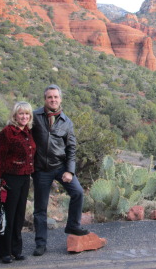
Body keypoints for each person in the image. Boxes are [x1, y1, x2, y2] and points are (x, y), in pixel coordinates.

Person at [31, 84, 89, 257]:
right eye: (50, 97)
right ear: (45, 99)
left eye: (56, 97)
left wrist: (70, 171)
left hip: (60, 167)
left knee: (78, 192)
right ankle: (40, 244)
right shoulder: (35, 116)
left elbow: (71, 149)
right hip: (41, 169)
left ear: (60, 99)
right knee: (40, 208)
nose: (53, 100)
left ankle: (72, 225)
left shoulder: (66, 122)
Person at [0, 101, 36, 264]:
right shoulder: (6, 133)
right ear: (14, 115)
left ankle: (16, 250)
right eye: (21, 113)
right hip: (9, 179)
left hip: (25, 178)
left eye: (27, 114)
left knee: (19, 215)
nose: (24, 117)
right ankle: (5, 252)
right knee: (8, 216)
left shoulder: (27, 132)